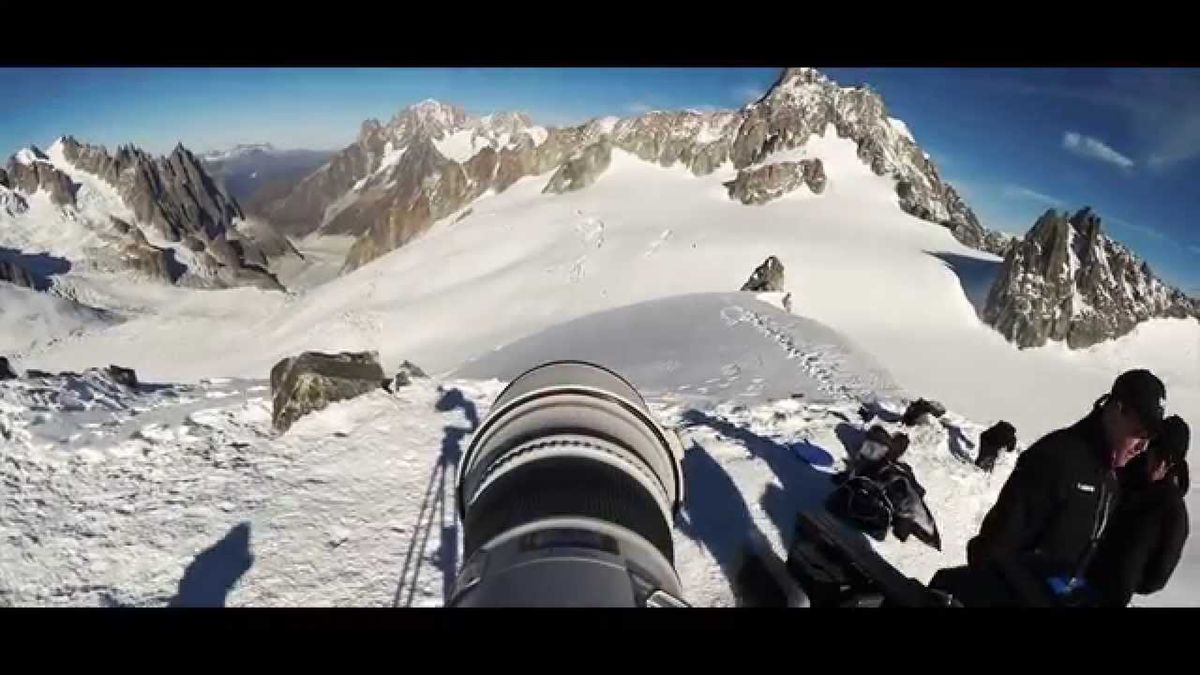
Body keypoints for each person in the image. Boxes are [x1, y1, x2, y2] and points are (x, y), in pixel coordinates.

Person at [932, 369, 1167, 606]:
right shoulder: (1056, 458)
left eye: (1149, 439)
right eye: (1140, 433)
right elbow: (994, 550)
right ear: (1117, 410)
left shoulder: (1111, 479)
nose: (1142, 447)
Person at [1085, 416, 1190, 607]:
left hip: (1114, 597)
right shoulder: (1120, 478)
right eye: (1156, 455)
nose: (1159, 465)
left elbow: (1158, 575)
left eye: (1168, 461)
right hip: (1077, 580)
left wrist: (1127, 576)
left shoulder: (1173, 512)